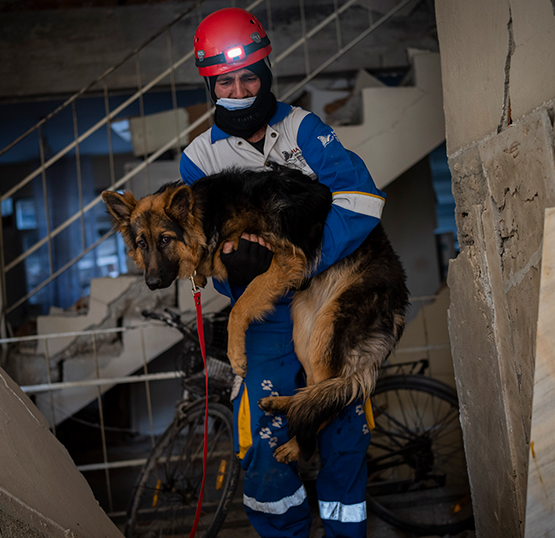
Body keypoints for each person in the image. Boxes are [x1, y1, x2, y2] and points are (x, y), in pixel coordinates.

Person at [180, 8, 385, 538]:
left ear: (267, 71)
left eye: (250, 76)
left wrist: (308, 262)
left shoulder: (303, 130)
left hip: (329, 295)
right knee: (265, 450)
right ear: (210, 82)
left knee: (344, 428)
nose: (241, 89)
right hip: (266, 316)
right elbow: (209, 254)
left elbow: (361, 201)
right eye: (226, 80)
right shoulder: (198, 159)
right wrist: (233, 275)